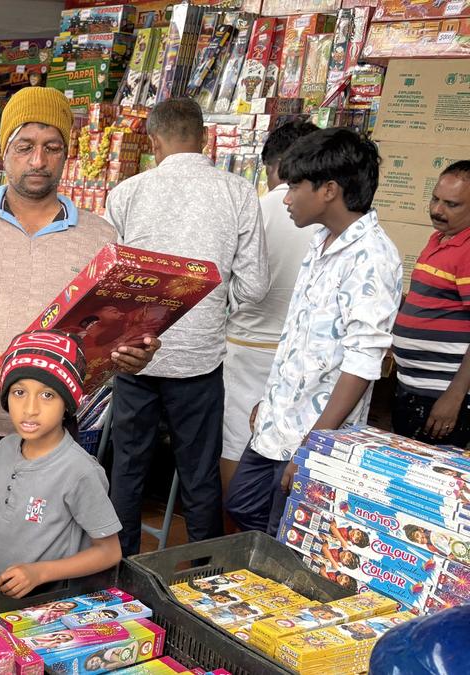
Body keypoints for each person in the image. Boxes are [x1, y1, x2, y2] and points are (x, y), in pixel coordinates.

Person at [0, 86, 159, 583]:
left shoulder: (99, 237)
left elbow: (109, 331)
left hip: (54, 437)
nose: (38, 160)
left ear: (68, 153)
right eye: (25, 146)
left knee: (41, 558)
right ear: (5, 153)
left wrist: (132, 352)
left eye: (52, 146)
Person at [104, 98, 269, 556]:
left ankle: (120, 574)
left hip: (133, 359)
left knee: (128, 473)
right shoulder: (238, 193)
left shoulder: (126, 193)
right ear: (205, 138)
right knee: (199, 475)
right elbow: (255, 286)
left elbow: (107, 281)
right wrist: (215, 309)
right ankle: (202, 575)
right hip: (200, 362)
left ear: (154, 142)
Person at [226, 128, 402, 534]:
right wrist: (270, 401)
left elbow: (362, 360)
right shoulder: (321, 241)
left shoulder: (372, 257)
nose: (286, 198)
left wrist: (315, 443)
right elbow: (302, 336)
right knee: (241, 504)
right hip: (276, 423)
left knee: (282, 537)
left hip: (315, 434)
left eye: (294, 187)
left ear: (328, 190)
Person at [0, 330, 122, 599]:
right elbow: (9, 521)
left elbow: (109, 551)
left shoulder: (80, 471)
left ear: (68, 403)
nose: (29, 408)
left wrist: (39, 573)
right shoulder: (5, 449)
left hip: (45, 608)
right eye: (19, 392)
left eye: (47, 395)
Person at [222, 120, 320, 498]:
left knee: (235, 444)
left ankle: (235, 535)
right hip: (303, 357)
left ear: (274, 165)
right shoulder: (329, 219)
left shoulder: (254, 209)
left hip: (246, 350)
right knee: (293, 452)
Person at [391, 160, 470, 447]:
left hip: (443, 398)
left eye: (452, 204)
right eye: (435, 199)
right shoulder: (438, 239)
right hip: (414, 389)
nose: (438, 210)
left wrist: (454, 396)